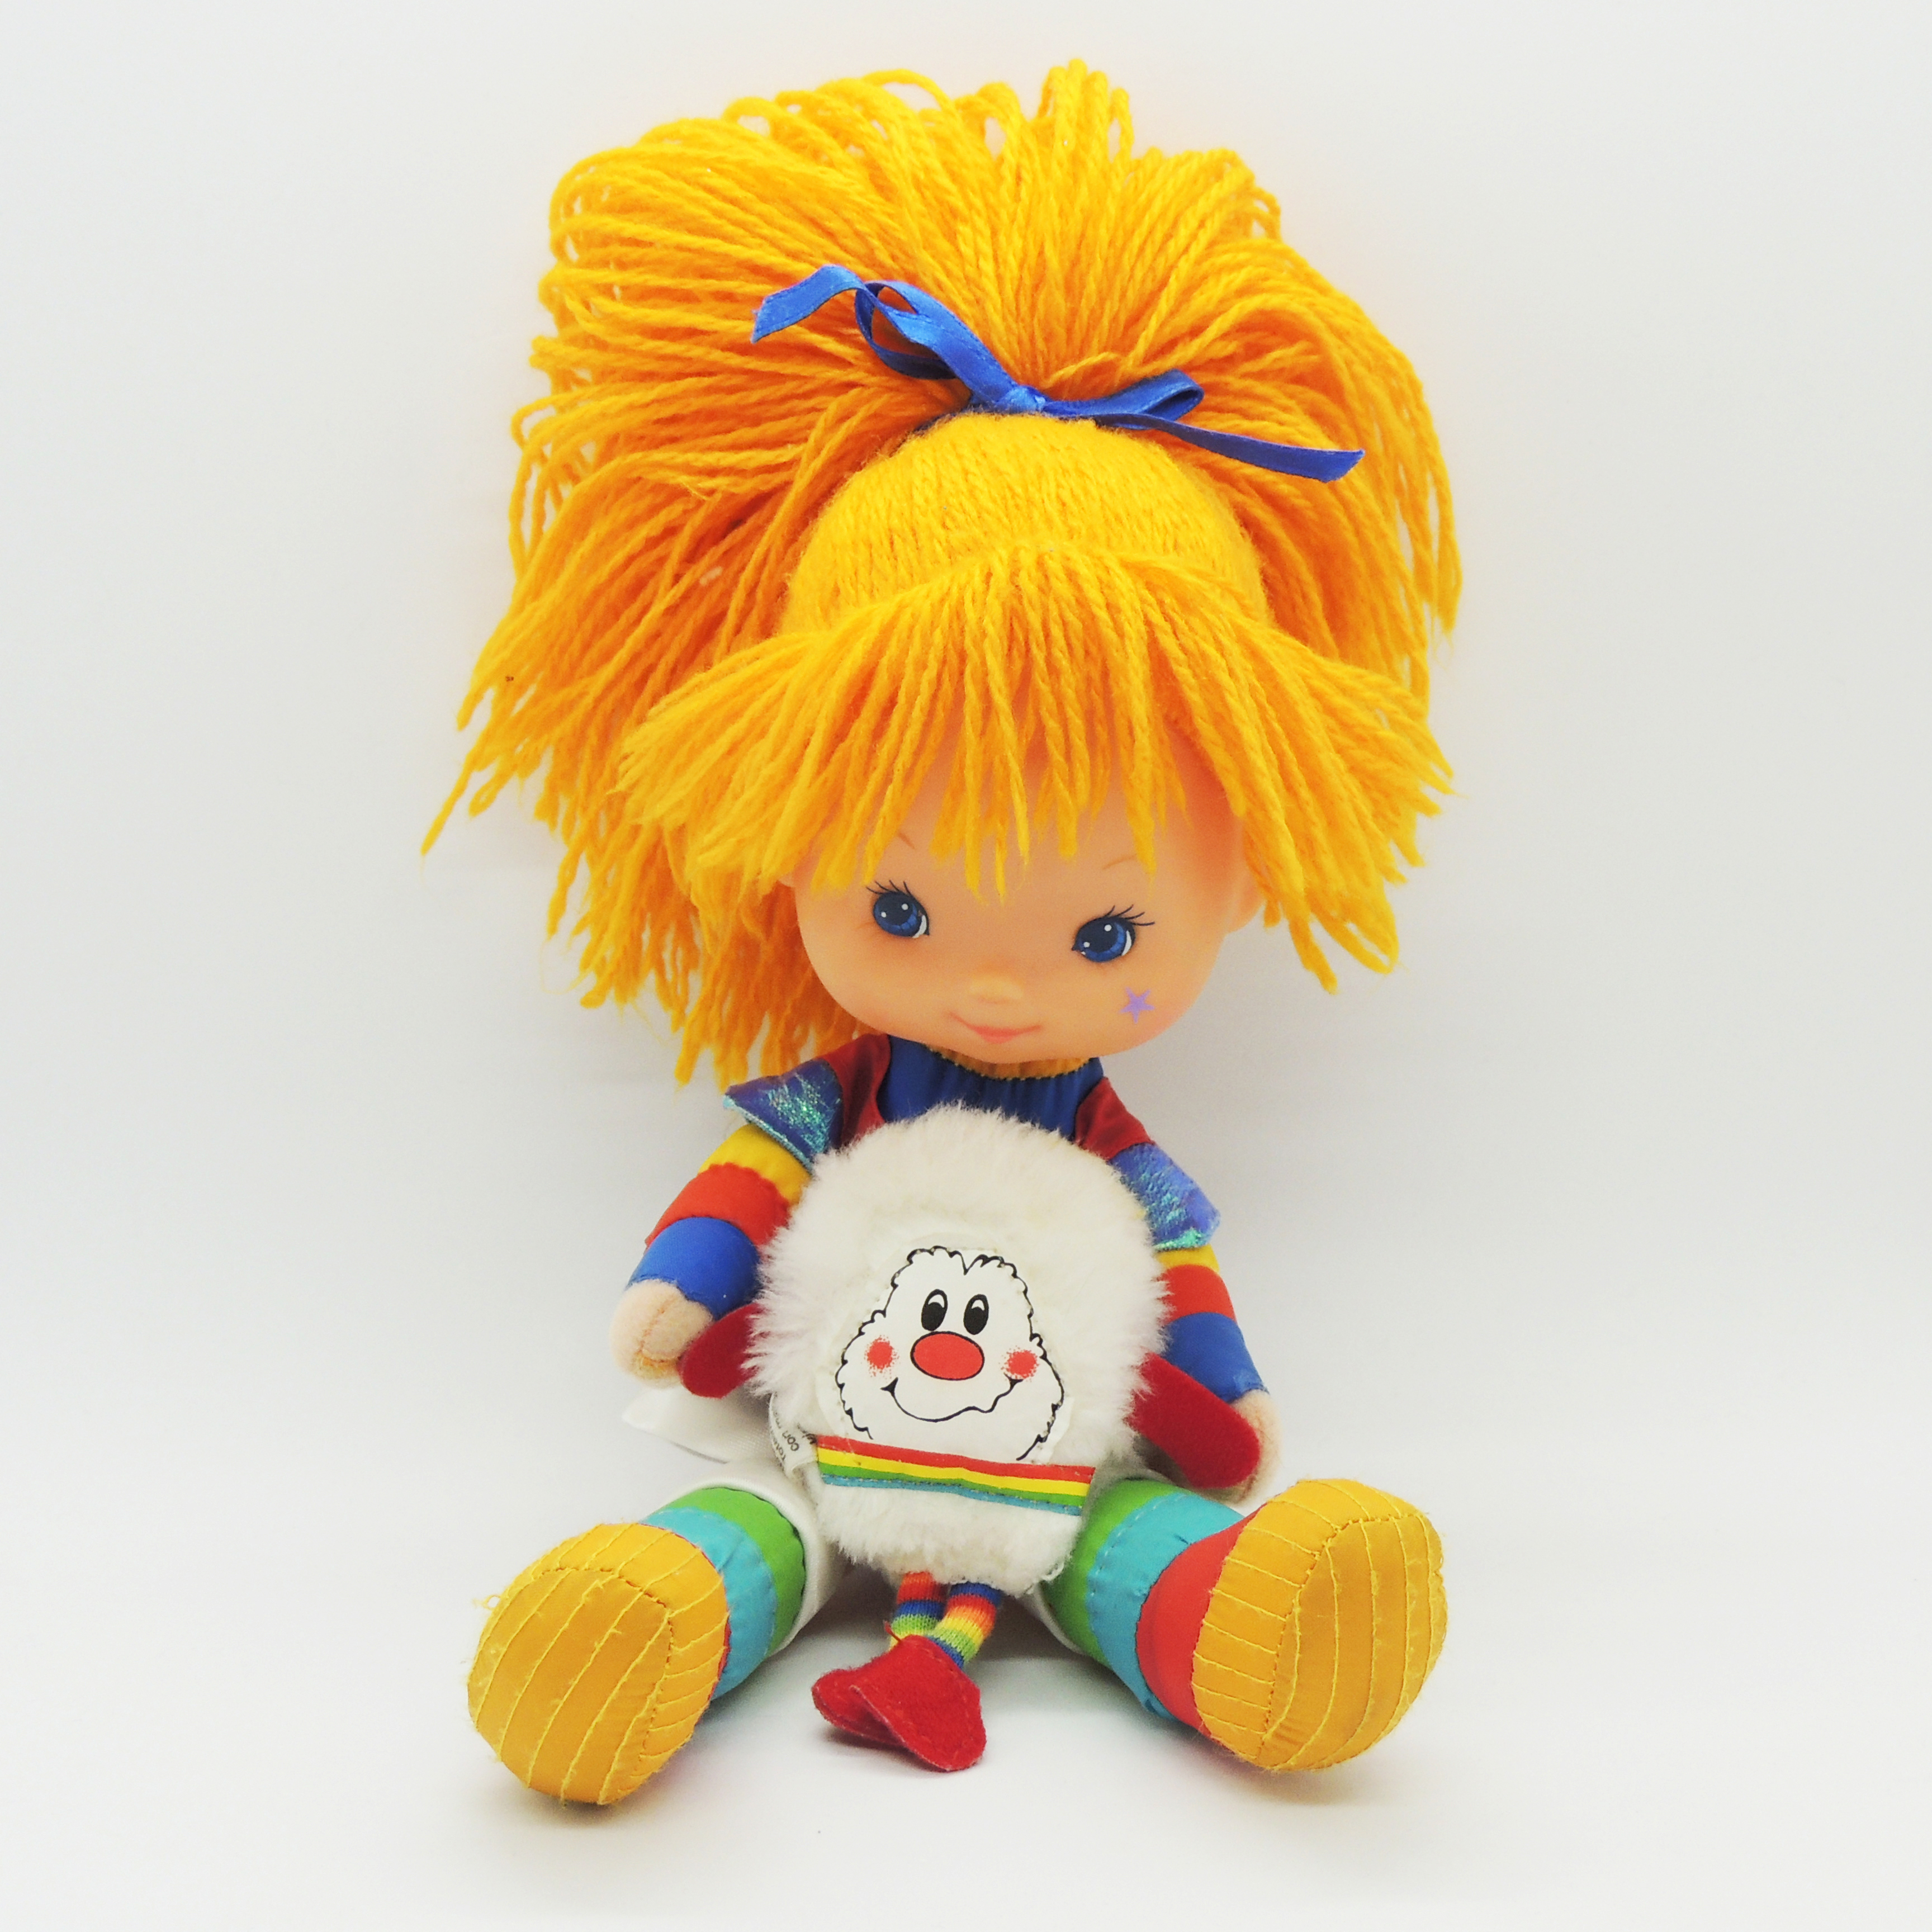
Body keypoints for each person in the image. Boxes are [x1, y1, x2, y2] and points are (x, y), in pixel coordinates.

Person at [434, 61, 1457, 1802]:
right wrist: (686, 1283)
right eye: (900, 906)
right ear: (782, 828)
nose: (994, 984)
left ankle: (1247, 1631)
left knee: (1119, 1533)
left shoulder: (1102, 1142)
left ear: (1246, 875)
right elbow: (748, 1190)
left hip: (1046, 1468)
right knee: (761, 1523)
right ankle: (635, 1629)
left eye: (1106, 929)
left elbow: (1178, 1273)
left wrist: (1223, 1401)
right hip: (818, 1440)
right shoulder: (842, 1102)